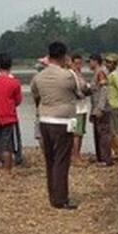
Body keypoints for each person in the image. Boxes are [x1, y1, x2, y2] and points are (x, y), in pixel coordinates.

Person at [31, 42, 87, 209]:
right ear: (64, 56)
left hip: (45, 120)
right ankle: (61, 199)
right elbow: (84, 89)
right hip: (64, 120)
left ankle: (53, 196)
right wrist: (73, 68)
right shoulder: (68, 75)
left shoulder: (38, 76)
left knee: (50, 159)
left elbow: (36, 96)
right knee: (62, 160)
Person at [0, 53, 22, 176]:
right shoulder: (14, 82)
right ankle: (7, 170)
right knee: (7, 145)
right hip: (8, 115)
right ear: (10, 66)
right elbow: (18, 100)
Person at [87, 54, 113, 166]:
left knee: (103, 134)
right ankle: (100, 158)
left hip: (102, 109)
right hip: (96, 108)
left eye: (90, 62)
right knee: (98, 134)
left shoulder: (100, 72)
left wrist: (100, 108)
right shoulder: (97, 73)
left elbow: (104, 91)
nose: (88, 64)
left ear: (96, 61)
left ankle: (105, 160)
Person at [69, 53, 90, 165]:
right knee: (76, 134)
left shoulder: (79, 74)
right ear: (71, 63)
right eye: (76, 63)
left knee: (80, 133)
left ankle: (77, 155)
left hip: (82, 107)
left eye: (80, 63)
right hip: (74, 108)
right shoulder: (71, 74)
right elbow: (75, 90)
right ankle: (75, 156)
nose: (78, 65)